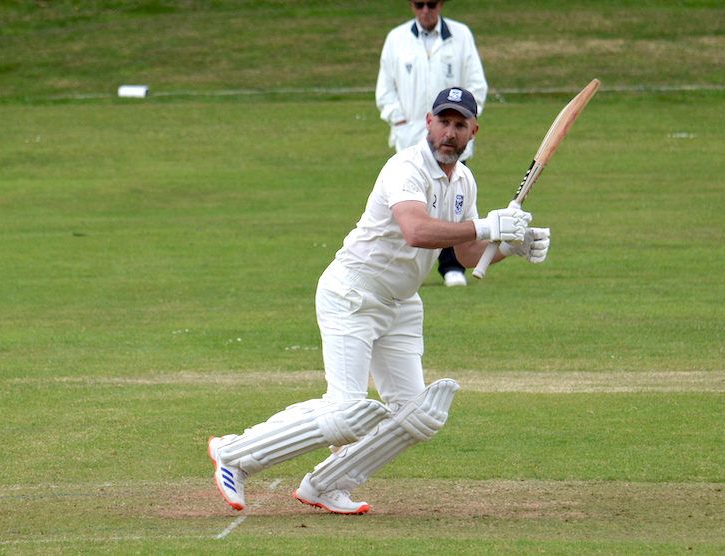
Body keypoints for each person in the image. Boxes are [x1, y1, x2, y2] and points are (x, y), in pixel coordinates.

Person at [208, 88, 551, 515]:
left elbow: (464, 255)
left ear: (473, 132)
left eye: (459, 125)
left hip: (400, 303)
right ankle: (235, 453)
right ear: (428, 122)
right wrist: (487, 227)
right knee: (346, 413)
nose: (449, 133)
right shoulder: (404, 168)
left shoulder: (463, 181)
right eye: (443, 122)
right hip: (352, 292)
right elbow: (417, 231)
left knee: (417, 416)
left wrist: (508, 248)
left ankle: (327, 484)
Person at [376, 0, 488, 288]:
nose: (426, 9)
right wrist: (398, 119)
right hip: (410, 135)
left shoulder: (461, 35)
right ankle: (404, 261)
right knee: (414, 202)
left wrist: (460, 125)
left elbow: (476, 83)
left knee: (452, 203)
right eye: (419, 3)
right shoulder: (396, 38)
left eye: (432, 3)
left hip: (451, 145)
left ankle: (451, 266)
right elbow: (385, 87)